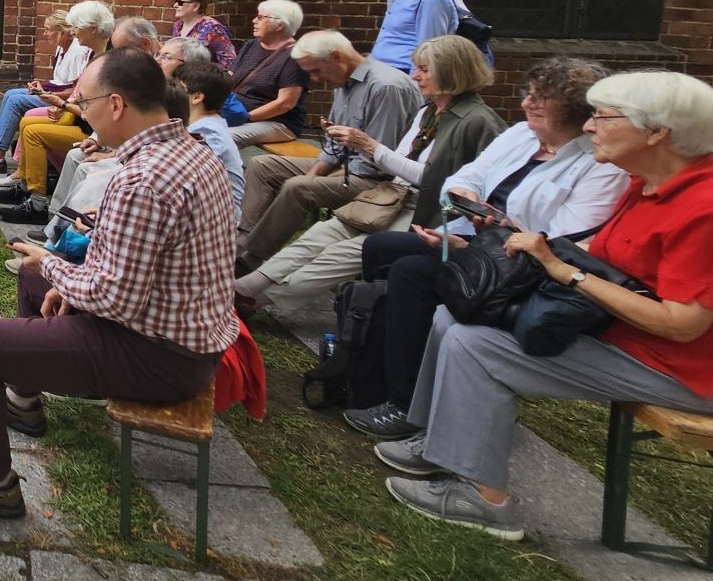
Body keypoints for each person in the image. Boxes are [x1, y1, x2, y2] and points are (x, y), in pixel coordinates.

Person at [372, 71, 713, 541]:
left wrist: (565, 271)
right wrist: (501, 250)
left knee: (476, 345)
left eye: (603, 117)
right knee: (457, 310)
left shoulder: (703, 207)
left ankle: (485, 500)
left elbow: (682, 326)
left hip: (676, 368)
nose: (590, 127)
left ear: (657, 133)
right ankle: (438, 441)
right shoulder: (648, 183)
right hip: (615, 329)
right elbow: (600, 252)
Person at [0, 49, 238, 517]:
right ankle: (22, 403)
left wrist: (54, 267)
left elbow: (114, 299)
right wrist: (64, 274)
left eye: (84, 103)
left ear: (115, 105)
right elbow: (131, 270)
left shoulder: (144, 180)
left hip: (157, 354)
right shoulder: (188, 149)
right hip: (174, 332)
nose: (79, 111)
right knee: (35, 286)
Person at [341, 57, 626, 440]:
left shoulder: (600, 164)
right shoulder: (522, 135)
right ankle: (375, 369)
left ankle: (408, 404)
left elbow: (563, 240)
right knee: (382, 247)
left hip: (526, 270)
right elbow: (466, 176)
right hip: (479, 245)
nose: (527, 104)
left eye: (541, 101)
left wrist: (487, 235)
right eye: (530, 94)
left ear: (577, 112)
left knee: (413, 275)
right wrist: (464, 196)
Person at [234, 34, 504, 315]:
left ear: (452, 71)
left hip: (427, 211)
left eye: (424, 69)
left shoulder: (477, 122)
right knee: (324, 232)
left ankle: (253, 301)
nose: (415, 77)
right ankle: (242, 287)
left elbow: (438, 181)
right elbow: (398, 162)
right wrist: (358, 151)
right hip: (393, 194)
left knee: (347, 252)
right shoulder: (430, 110)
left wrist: (369, 147)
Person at [237, 30, 423, 272]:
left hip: (380, 181)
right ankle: (241, 240)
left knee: (298, 187)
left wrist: (315, 179)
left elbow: (377, 160)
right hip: (349, 166)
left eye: (316, 70)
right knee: (263, 166)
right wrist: (316, 173)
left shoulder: (385, 87)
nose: (315, 79)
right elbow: (334, 143)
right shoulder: (343, 82)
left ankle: (248, 260)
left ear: (336, 57)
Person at [0, 1, 114, 224]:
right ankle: (26, 183)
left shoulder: (107, 62)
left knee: (32, 130)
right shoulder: (96, 56)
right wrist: (61, 105)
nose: (73, 32)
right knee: (27, 123)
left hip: (95, 134)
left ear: (93, 29)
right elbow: (81, 96)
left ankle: (36, 203)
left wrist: (63, 105)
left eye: (76, 27)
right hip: (88, 127)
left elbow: (92, 109)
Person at [0, 8, 88, 174]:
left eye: (48, 29)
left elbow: (75, 90)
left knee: (15, 101)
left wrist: (49, 94)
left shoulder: (77, 51)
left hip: (59, 99)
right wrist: (41, 86)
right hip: (51, 91)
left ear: (63, 31)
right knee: (10, 94)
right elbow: (60, 80)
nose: (45, 34)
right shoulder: (62, 47)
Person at [227, 0, 311, 148]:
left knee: (220, 136)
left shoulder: (294, 56)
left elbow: (285, 103)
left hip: (277, 123)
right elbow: (230, 77)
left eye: (260, 17)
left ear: (280, 25)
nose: (254, 21)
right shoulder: (251, 45)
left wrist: (246, 117)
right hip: (237, 113)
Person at [173, 62, 244, 206]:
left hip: (218, 216)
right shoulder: (208, 123)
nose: (171, 91)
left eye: (178, 88)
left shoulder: (208, 134)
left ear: (197, 97)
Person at [171, 0, 236, 69]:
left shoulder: (212, 28)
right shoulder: (178, 25)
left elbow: (229, 60)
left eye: (180, 3)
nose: (175, 5)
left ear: (195, 6)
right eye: (175, 1)